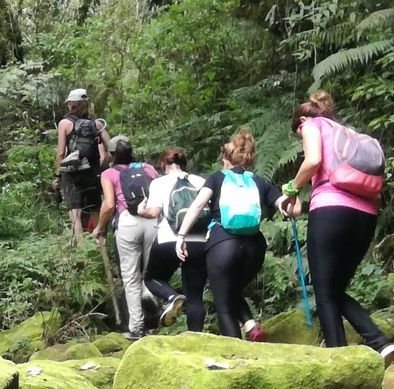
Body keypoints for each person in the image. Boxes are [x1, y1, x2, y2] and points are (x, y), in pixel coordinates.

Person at [279, 93, 394, 359]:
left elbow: (312, 161)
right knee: (333, 290)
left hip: (332, 211)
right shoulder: (350, 135)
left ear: (301, 120)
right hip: (366, 216)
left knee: (324, 293)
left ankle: (338, 360)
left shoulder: (311, 124)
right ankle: (379, 342)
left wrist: (290, 189)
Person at [176, 128, 280, 340]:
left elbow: (197, 206)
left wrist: (181, 236)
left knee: (223, 304)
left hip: (223, 243)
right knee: (231, 289)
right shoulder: (260, 181)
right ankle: (251, 325)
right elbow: (286, 205)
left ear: (226, 159)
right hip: (255, 248)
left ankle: (236, 356)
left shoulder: (217, 178)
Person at [94, 136, 162, 338]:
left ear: (112, 154)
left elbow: (108, 205)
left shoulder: (109, 173)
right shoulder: (149, 169)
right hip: (152, 220)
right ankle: (156, 315)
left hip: (127, 223)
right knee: (151, 273)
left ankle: (136, 327)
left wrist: (100, 227)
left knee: (131, 277)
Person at [143, 147, 204, 330]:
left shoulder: (158, 183)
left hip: (168, 240)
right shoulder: (200, 181)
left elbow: (154, 212)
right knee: (195, 296)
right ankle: (197, 339)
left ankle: (171, 296)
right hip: (199, 242)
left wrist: (140, 210)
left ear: (163, 164)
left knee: (151, 278)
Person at [56, 89, 110, 239]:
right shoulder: (97, 124)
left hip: (71, 174)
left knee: (75, 212)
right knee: (95, 210)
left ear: (71, 104)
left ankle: (81, 254)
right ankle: (102, 248)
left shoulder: (64, 124)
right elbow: (110, 150)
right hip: (92, 173)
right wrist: (101, 167)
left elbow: (61, 152)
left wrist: (58, 175)